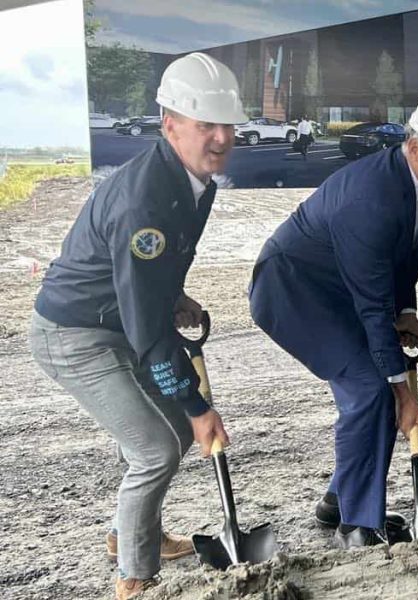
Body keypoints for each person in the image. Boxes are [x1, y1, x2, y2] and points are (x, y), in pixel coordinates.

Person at [28, 52, 243, 599]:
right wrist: (197, 404)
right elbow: (148, 331)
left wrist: (175, 295)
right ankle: (134, 577)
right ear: (170, 124)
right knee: (157, 448)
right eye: (206, 124)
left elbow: (156, 272)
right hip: (74, 334)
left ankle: (127, 533)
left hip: (118, 319)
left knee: (173, 432)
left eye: (227, 124)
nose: (221, 137)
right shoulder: (144, 200)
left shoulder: (194, 181)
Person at [249, 89, 418, 549]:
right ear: (413, 146)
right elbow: (372, 308)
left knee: (374, 386)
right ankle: (357, 526)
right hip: (292, 292)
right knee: (369, 389)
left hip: (339, 287)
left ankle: (340, 501)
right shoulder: (371, 199)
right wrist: (402, 393)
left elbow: (407, 252)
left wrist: (407, 312)